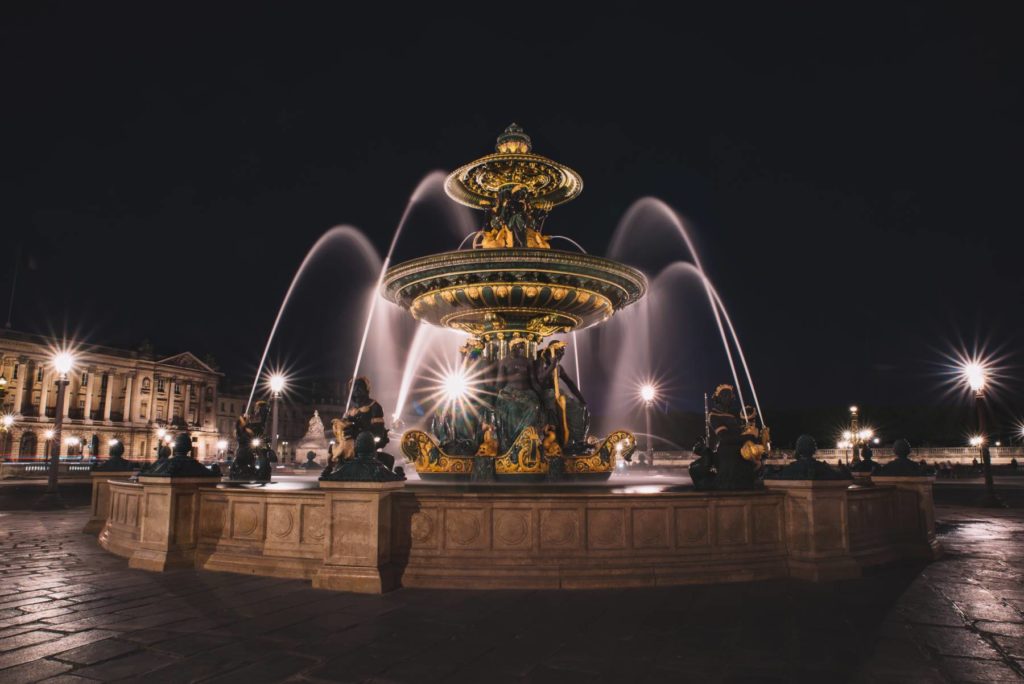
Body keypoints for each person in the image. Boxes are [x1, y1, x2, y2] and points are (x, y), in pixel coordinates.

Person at [494, 339, 542, 452]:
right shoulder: (504, 361)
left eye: (519, 346)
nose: (516, 348)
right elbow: (499, 383)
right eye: (514, 346)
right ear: (510, 346)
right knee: (513, 409)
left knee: (534, 406)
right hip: (511, 393)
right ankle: (514, 444)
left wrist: (541, 394)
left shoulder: (527, 361)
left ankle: (528, 440)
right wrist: (498, 393)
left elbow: (533, 381)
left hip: (527, 393)